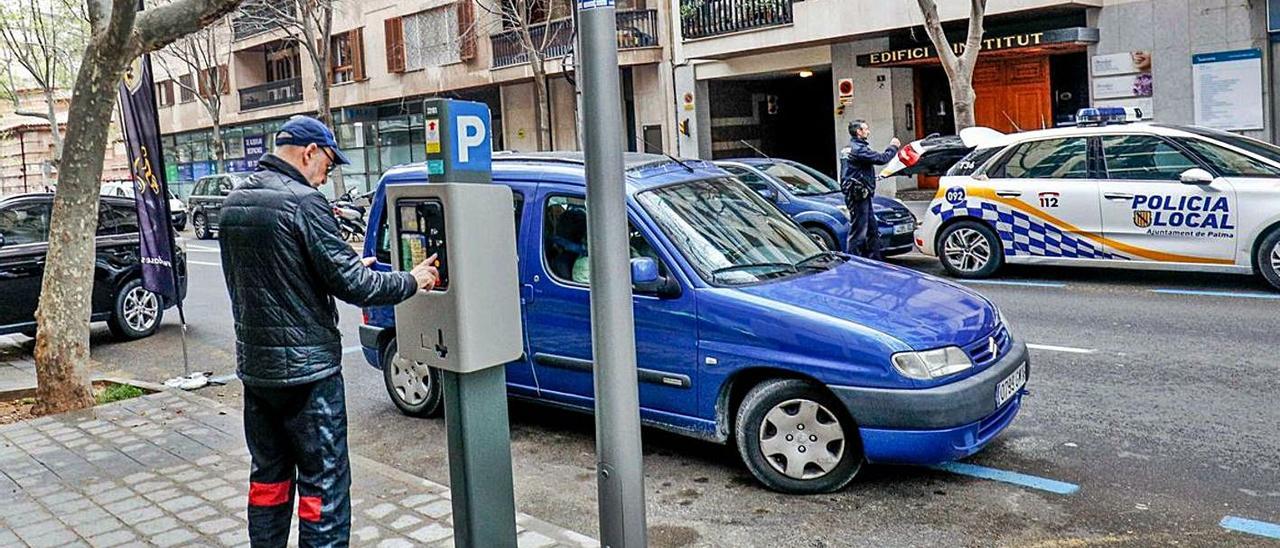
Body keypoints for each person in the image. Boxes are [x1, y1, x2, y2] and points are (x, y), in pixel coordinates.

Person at [219, 115, 439, 547]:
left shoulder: (236, 202)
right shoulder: (302, 202)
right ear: (309, 152)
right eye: (329, 165)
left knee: (269, 480)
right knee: (324, 490)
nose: (326, 176)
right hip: (309, 375)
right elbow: (355, 287)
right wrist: (413, 280)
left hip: (259, 373)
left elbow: (280, 277)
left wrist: (345, 267)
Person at [840, 120, 900, 260]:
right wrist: (893, 147)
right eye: (865, 129)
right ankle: (853, 260)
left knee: (872, 230)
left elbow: (856, 170)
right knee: (858, 232)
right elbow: (881, 159)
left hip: (860, 193)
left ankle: (875, 259)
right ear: (858, 132)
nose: (868, 131)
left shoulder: (849, 148)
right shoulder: (859, 149)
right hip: (857, 195)